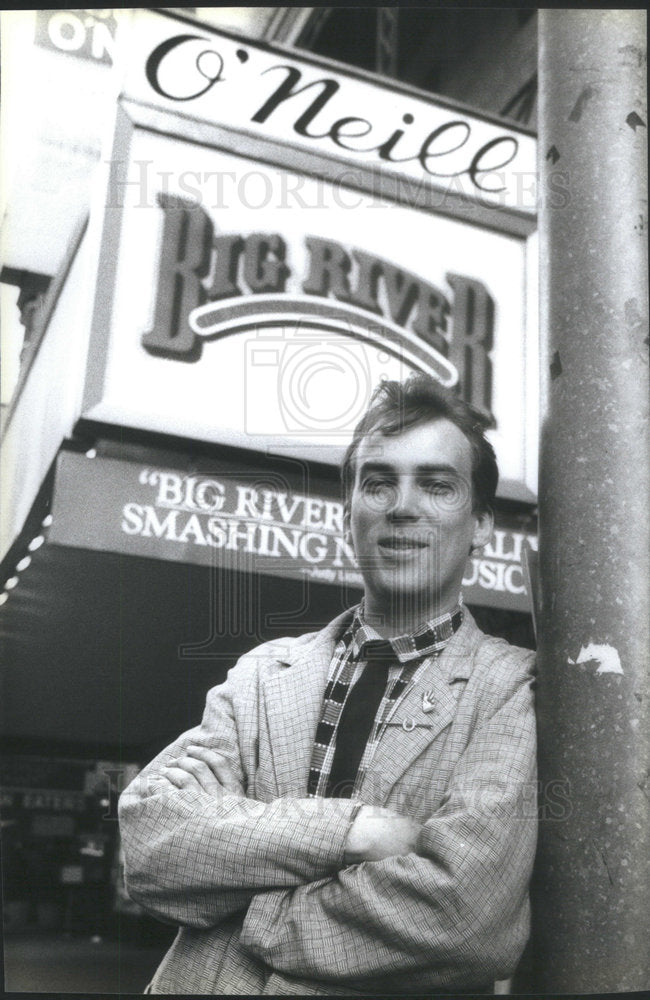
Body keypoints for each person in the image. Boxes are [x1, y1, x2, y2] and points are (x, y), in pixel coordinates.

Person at [118, 373, 537, 995]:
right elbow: (153, 845)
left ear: (480, 523)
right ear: (349, 514)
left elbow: (463, 917)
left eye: (437, 485)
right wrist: (354, 830)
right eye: (378, 483)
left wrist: (250, 906)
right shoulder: (264, 673)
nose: (402, 506)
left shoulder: (509, 686)